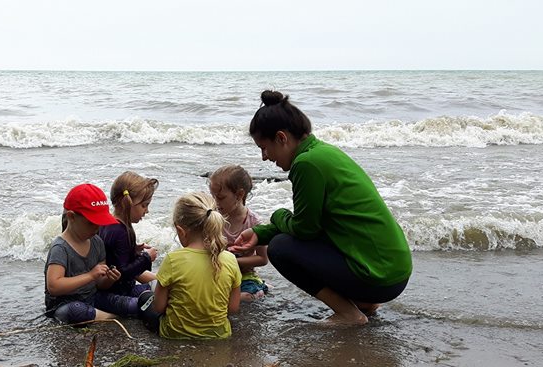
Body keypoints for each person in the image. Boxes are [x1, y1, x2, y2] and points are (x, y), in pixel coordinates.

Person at [230, 91, 412, 325]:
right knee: (293, 239)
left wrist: (277, 217)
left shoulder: (306, 164)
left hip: (379, 276)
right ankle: (365, 304)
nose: (264, 157)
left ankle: (348, 313)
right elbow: (312, 222)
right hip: (393, 270)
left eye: (263, 147)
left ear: (281, 138)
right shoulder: (323, 152)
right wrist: (260, 232)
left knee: (280, 249)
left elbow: (305, 229)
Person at [44, 183, 152, 324]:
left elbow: (101, 285)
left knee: (134, 304)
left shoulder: (97, 242)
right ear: (71, 217)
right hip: (64, 304)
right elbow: (54, 287)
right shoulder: (60, 248)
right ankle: (112, 317)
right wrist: (90, 275)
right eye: (92, 223)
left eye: (100, 222)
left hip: (94, 297)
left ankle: (117, 312)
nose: (97, 228)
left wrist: (109, 278)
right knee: (76, 311)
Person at [150, 193, 242, 339]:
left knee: (145, 300)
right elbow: (233, 308)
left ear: (181, 231)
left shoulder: (173, 259)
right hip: (219, 335)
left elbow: (159, 307)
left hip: (174, 335)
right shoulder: (230, 259)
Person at [208, 165, 269, 301]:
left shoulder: (253, 223)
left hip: (244, 275)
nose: (215, 203)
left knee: (248, 296)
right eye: (213, 197)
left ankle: (260, 286)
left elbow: (262, 259)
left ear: (240, 194)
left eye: (221, 198)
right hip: (218, 273)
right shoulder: (213, 217)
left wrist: (233, 261)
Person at [99, 172, 159, 299]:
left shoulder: (109, 223)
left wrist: (133, 251)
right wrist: (146, 258)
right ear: (126, 202)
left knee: (159, 288)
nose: (146, 211)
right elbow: (123, 272)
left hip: (113, 289)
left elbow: (113, 258)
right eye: (144, 205)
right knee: (153, 301)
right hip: (115, 293)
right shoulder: (120, 231)